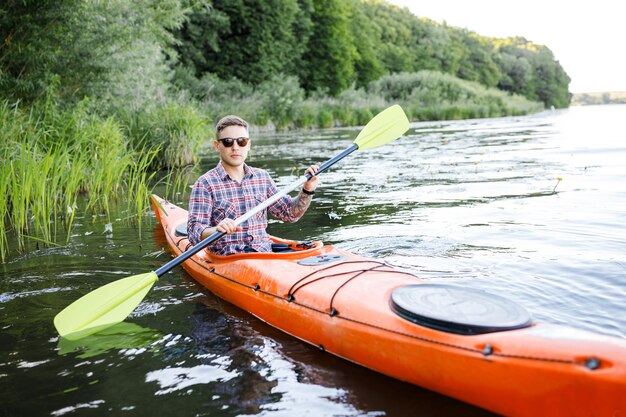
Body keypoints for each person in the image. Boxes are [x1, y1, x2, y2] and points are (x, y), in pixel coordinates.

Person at [187, 115, 319, 255]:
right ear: (217, 146)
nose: (235, 147)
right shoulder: (205, 184)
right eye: (227, 142)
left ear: (248, 145)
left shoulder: (262, 177)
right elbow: (194, 232)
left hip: (264, 255)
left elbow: (290, 213)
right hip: (229, 259)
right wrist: (216, 230)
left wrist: (307, 189)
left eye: (241, 141)